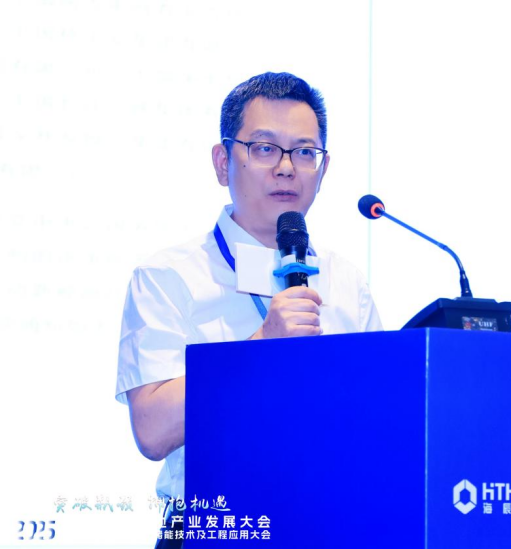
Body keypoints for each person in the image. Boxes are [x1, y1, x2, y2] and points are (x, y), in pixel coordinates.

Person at [115, 72, 382, 547]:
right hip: (217, 527)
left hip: (330, 524)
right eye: (264, 148)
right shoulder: (169, 276)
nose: (287, 168)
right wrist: (261, 346)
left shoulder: (346, 282)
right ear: (223, 163)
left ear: (323, 168)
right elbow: (152, 431)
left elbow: (378, 417)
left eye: (304, 152)